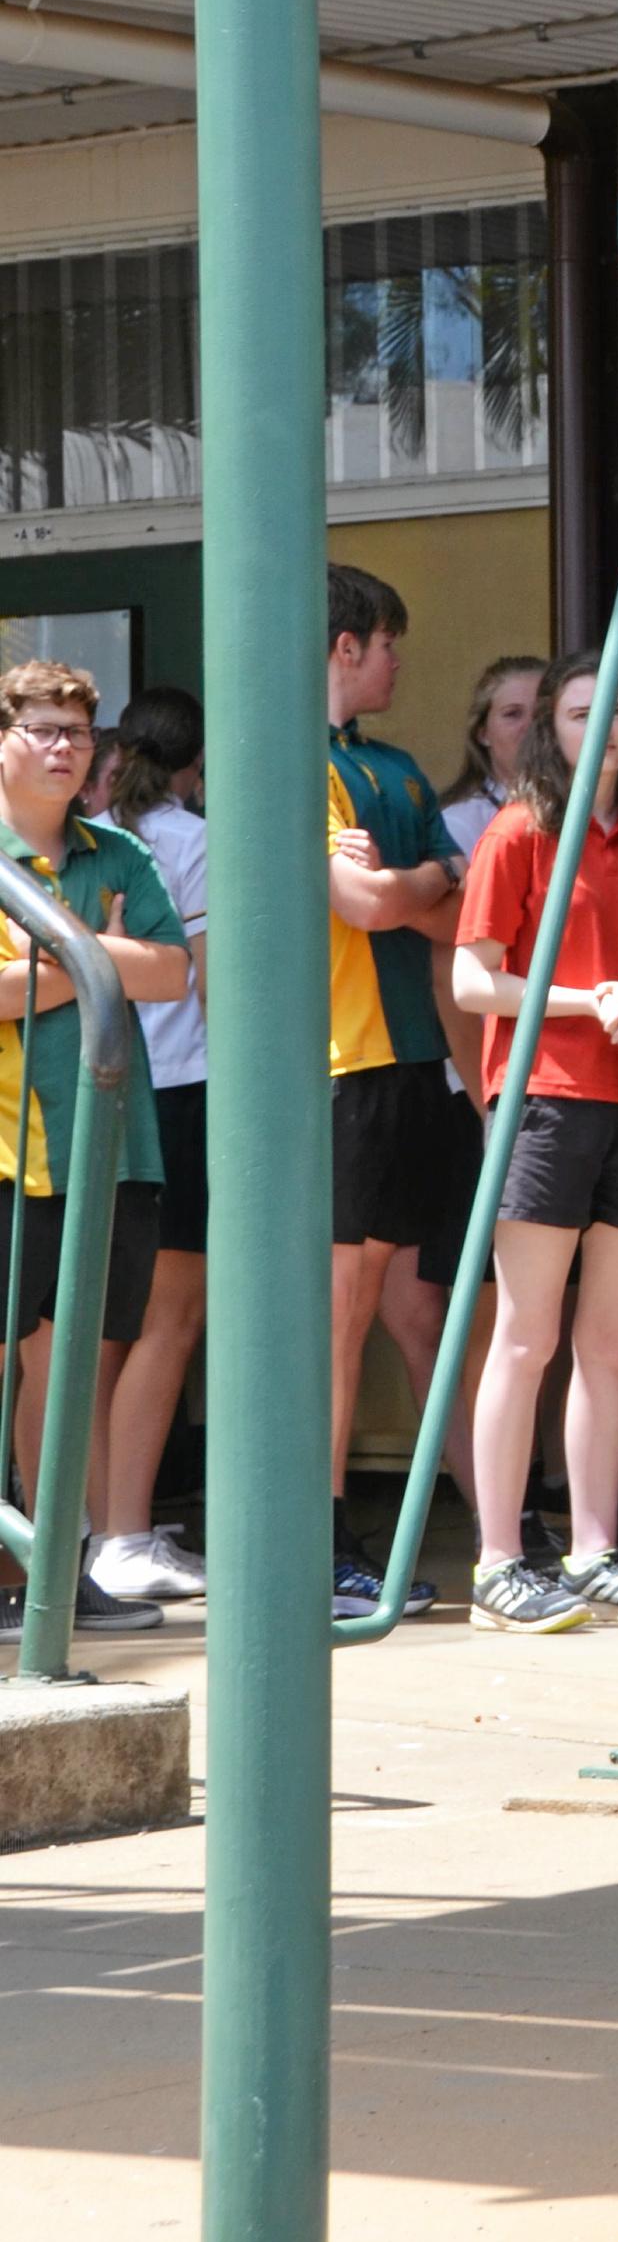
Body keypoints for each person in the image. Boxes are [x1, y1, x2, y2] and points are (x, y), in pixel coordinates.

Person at [0, 659, 189, 1642]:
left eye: (78, 729)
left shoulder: (116, 849)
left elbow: (171, 972)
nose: (64, 746)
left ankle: (51, 1572)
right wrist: (94, 952)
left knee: (67, 1364)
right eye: (40, 727)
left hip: (107, 1142)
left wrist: (55, 954)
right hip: (8, 1148)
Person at [453, 652, 618, 1630]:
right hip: (546, 1097)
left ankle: (596, 1544)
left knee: (611, 1341)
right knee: (527, 1335)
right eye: (583, 709)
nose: (605, 725)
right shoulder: (519, 830)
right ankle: (496, 1560)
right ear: (550, 727)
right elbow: (472, 982)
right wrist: (592, 1000)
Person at [323, 565, 472, 1614]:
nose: (397, 661)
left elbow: (456, 906)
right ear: (344, 646)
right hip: (342, 1064)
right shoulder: (291, 759)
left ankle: (492, 1520)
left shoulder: (403, 770)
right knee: (339, 1311)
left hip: (422, 1065)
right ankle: (320, 1533)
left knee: (425, 1303)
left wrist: (410, 884)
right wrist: (417, 886)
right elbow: (371, 905)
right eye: (385, 643)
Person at [86, 691, 214, 1606]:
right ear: (194, 762)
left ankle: (100, 1528)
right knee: (166, 1321)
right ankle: (125, 1535)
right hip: (181, 1092)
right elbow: (200, 982)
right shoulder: (186, 839)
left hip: (117, 1097)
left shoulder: (99, 839)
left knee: (95, 1331)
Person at [441, 654, 546, 863]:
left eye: (542, 712)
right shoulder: (459, 823)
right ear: (483, 733)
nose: (531, 726)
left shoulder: (590, 806)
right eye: (513, 714)